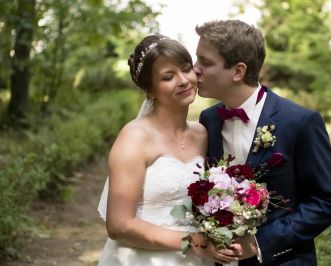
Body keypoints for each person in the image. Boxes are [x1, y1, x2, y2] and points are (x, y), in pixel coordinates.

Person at [195, 20, 331, 265]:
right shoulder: (208, 120)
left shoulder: (300, 121)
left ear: (238, 71)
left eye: (205, 62)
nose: (195, 69)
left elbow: (328, 202)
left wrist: (259, 243)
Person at [97, 34, 237, 266]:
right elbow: (118, 226)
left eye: (186, 69)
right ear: (150, 90)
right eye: (168, 77)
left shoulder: (201, 134)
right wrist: (190, 240)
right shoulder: (135, 137)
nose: (183, 80)